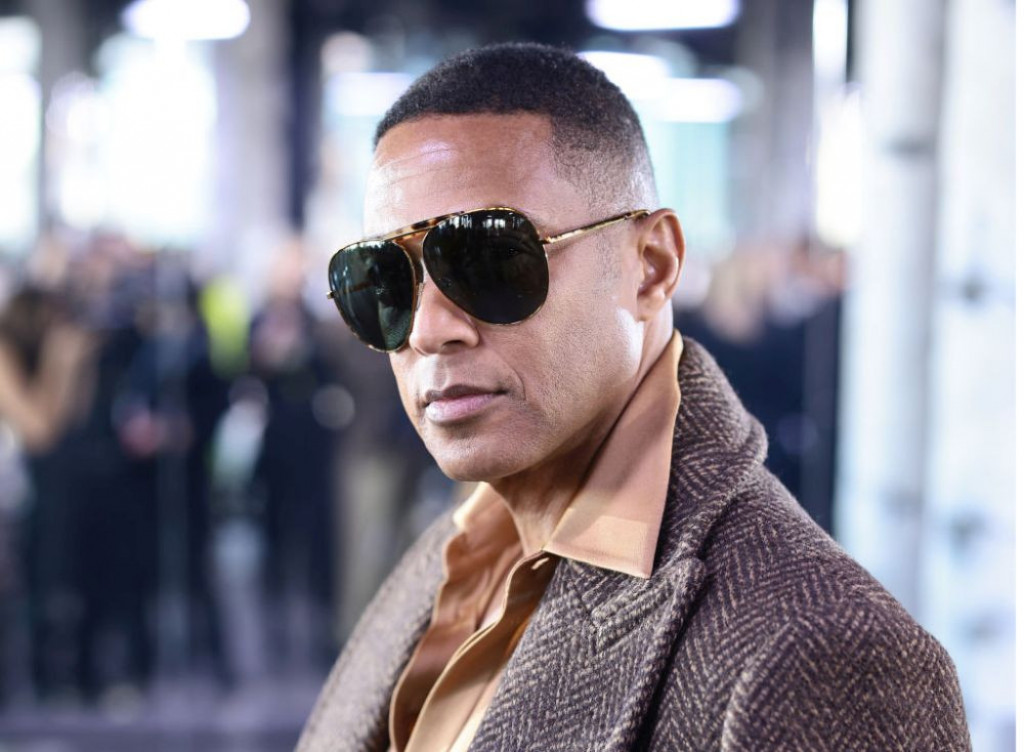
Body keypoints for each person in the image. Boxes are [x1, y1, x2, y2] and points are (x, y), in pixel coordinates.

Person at [298, 43, 970, 751]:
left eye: (490, 261)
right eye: (382, 280)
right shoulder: (466, 543)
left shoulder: (826, 655)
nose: (429, 330)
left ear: (651, 266)